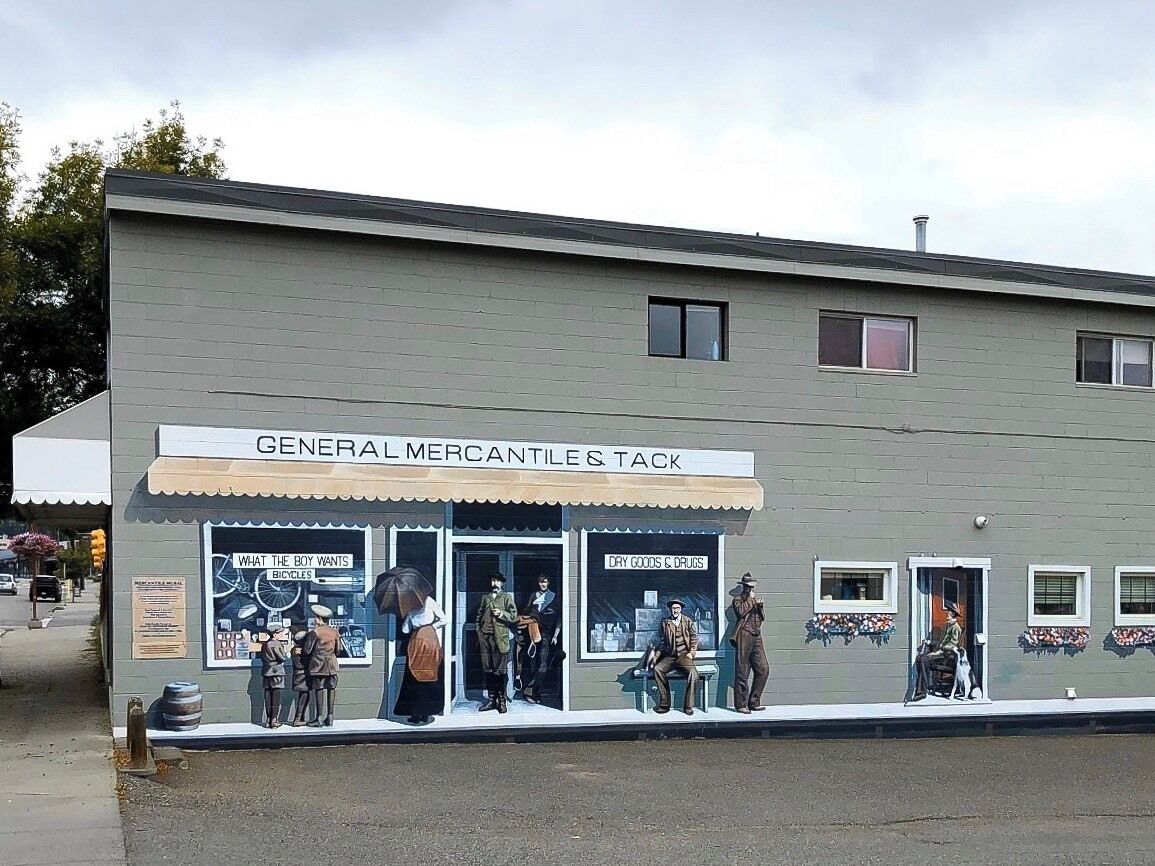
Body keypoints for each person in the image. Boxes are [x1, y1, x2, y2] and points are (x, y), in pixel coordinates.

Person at [394, 593, 447, 724]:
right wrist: (431, 627)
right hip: (431, 639)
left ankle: (416, 714)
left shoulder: (410, 605)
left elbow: (405, 630)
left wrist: (409, 618)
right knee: (430, 675)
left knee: (414, 677)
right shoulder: (429, 601)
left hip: (417, 639)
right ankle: (426, 713)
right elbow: (444, 620)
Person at [476, 572, 517, 713]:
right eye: (493, 580)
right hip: (485, 638)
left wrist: (502, 613)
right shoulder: (485, 598)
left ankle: (502, 701)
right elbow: (479, 615)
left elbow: (513, 616)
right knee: (488, 671)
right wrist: (479, 631)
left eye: (497, 581)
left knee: (500, 671)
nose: (494, 583)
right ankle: (491, 700)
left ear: (502, 583)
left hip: (499, 639)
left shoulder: (506, 598)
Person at [517, 575, 561, 704]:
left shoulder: (554, 597)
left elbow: (559, 617)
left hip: (547, 634)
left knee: (542, 665)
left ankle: (534, 691)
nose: (543, 584)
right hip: (531, 633)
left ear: (548, 583)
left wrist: (555, 635)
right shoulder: (533, 595)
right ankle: (529, 692)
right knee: (530, 664)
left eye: (545, 582)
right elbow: (526, 611)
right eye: (541, 582)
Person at [652, 598, 699, 715]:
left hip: (684, 656)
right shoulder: (665, 623)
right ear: (670, 609)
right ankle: (664, 704)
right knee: (658, 669)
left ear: (681, 609)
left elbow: (694, 639)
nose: (675, 610)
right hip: (670, 656)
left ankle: (688, 706)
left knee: (693, 674)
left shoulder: (688, 621)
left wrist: (691, 653)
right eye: (673, 608)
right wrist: (656, 657)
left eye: (677, 608)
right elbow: (662, 642)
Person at [731, 573, 769, 714]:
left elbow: (762, 618)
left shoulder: (753, 600)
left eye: (752, 586)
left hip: (756, 634)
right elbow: (740, 612)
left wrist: (760, 606)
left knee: (763, 669)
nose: (752, 589)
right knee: (742, 670)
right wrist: (751, 601)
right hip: (744, 634)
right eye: (749, 586)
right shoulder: (738, 600)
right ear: (745, 587)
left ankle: (754, 701)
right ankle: (741, 704)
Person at [910, 601, 963, 702]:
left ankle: (921, 692)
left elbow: (952, 645)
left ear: (952, 613)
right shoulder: (947, 626)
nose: (946, 613)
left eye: (948, 612)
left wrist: (937, 653)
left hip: (947, 657)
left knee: (923, 659)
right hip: (941, 655)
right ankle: (921, 690)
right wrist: (929, 642)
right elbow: (941, 642)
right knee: (920, 658)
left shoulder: (956, 628)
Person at [302, 604, 345, 726]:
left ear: (319, 618)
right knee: (331, 689)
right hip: (331, 665)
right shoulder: (335, 632)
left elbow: (307, 650)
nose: (314, 619)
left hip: (318, 665)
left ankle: (319, 717)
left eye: (315, 617)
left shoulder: (315, 632)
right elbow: (338, 650)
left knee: (319, 690)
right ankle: (330, 717)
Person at [259, 624, 288, 728]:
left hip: (266, 671)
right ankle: (274, 719)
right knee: (276, 697)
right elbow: (283, 658)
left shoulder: (265, 644)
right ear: (275, 634)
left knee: (268, 696)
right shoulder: (277, 644)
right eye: (280, 632)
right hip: (277, 672)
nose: (282, 634)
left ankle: (268, 719)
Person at [289, 628, 311, 727]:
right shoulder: (303, 651)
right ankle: (298, 718)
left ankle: (301, 717)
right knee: (304, 697)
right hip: (303, 675)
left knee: (304, 696)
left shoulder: (294, 649)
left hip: (297, 675)